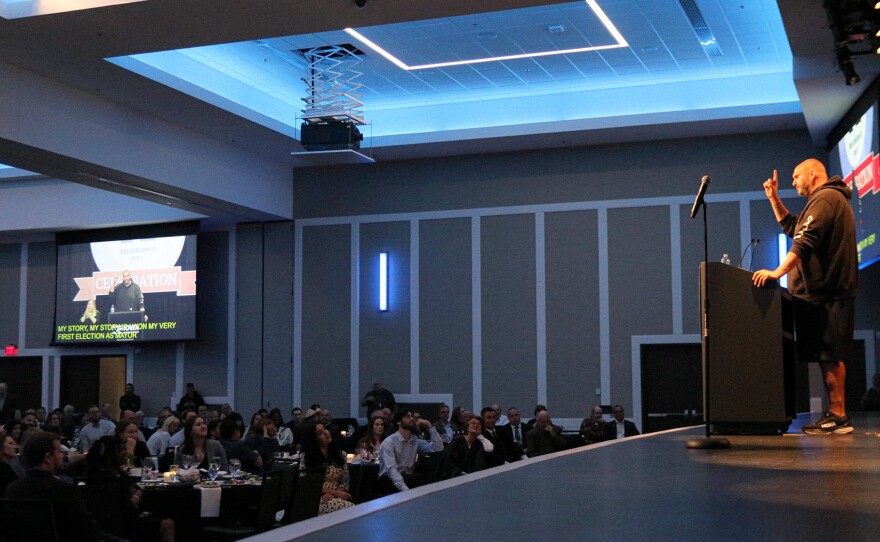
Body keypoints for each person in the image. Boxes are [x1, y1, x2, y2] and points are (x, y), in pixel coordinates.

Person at [752, 159, 858, 435]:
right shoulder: (824, 201)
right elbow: (794, 228)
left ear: (813, 174)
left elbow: (804, 240)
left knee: (830, 354)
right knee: (827, 355)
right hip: (824, 294)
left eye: (796, 176)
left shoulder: (825, 198)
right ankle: (836, 414)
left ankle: (838, 415)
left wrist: (777, 271)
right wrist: (774, 198)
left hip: (827, 293)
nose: (794, 182)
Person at [5, 432, 112, 541]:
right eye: (60, 451)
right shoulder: (65, 490)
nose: (63, 456)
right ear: (48, 457)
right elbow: (88, 531)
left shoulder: (13, 489)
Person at [377, 409, 443, 493]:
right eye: (408, 416)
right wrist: (406, 491)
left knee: (428, 476)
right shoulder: (389, 442)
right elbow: (391, 470)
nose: (412, 419)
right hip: (388, 480)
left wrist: (429, 426)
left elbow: (438, 447)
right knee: (416, 480)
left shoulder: (414, 440)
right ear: (398, 422)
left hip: (408, 478)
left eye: (412, 416)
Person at [300, 422, 355, 515]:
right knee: (351, 510)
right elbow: (305, 485)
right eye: (320, 433)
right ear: (314, 439)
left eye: (325, 429)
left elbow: (344, 482)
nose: (326, 433)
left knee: (352, 510)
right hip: (316, 498)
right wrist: (334, 493)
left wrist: (336, 494)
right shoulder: (306, 457)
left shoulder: (340, 455)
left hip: (336, 496)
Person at [437, 414, 489, 480]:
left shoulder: (479, 445)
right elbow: (448, 462)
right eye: (473, 423)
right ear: (467, 426)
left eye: (479, 424)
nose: (476, 425)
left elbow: (488, 451)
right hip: (453, 478)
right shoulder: (457, 441)